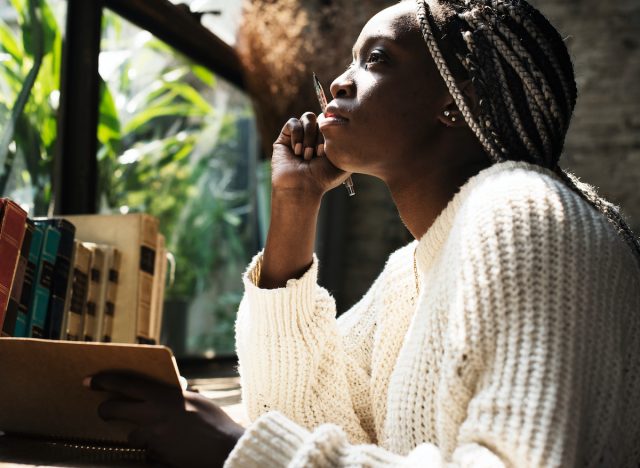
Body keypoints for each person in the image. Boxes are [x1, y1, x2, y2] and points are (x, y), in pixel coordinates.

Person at [86, 0, 640, 466]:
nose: (339, 83)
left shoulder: (524, 214)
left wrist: (240, 449)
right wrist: (295, 205)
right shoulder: (412, 270)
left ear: (457, 102)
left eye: (376, 60)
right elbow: (298, 415)